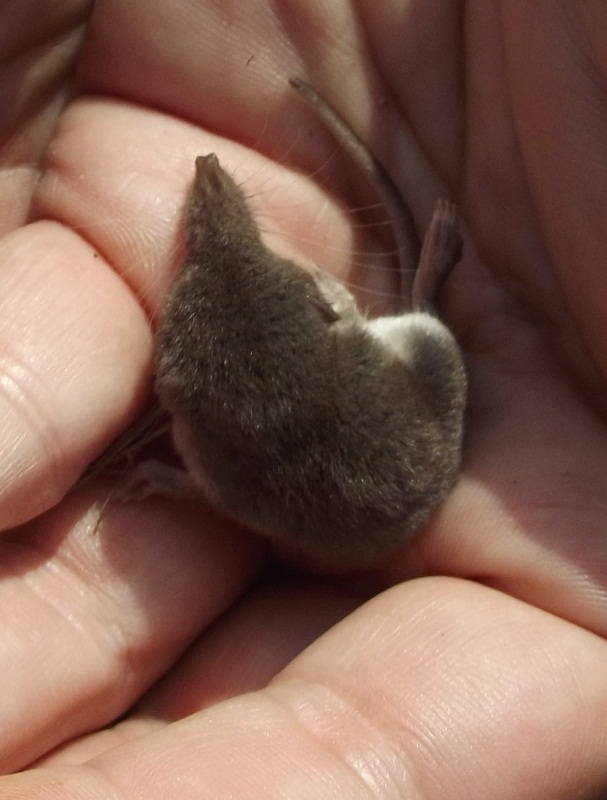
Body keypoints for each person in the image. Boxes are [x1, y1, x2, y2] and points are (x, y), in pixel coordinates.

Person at [1, 1, 606, 796]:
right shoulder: (292, 382)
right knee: (424, 347)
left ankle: (427, 286)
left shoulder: (215, 460)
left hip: (362, 506)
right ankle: (427, 292)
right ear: (329, 309)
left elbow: (219, 487)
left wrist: (168, 482)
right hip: (405, 453)